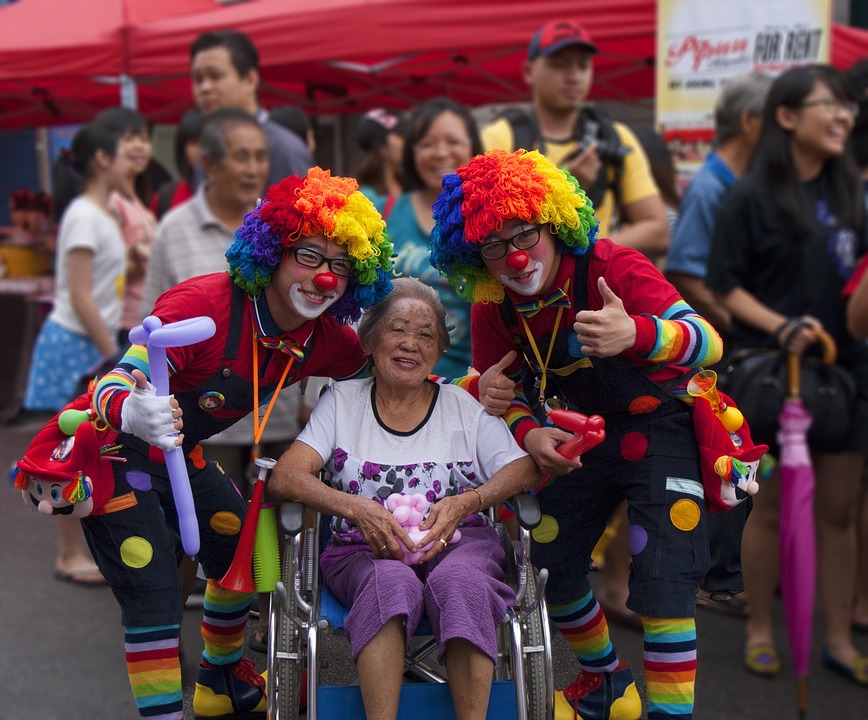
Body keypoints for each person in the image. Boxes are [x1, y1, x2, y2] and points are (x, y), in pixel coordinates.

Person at [78, 168, 393, 719]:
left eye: (341, 266)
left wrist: (469, 391)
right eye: (309, 256)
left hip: (183, 456)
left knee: (240, 555)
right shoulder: (204, 305)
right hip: (114, 454)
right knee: (153, 593)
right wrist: (133, 407)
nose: (324, 279)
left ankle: (220, 680)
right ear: (272, 252)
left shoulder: (327, 339)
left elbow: (394, 370)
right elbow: (114, 379)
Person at [429, 148, 726, 720]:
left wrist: (637, 332)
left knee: (664, 580)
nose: (514, 257)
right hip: (579, 439)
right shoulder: (494, 305)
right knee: (548, 564)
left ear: (556, 222)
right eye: (494, 245)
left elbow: (709, 342)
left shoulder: (612, 264)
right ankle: (608, 683)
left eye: (526, 234)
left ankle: (670, 714)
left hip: (662, 427)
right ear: (472, 254)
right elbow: (502, 391)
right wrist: (526, 430)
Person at [268, 277, 537, 720]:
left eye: (426, 333)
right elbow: (286, 476)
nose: (410, 343)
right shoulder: (342, 402)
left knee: (462, 583)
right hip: (362, 549)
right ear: (370, 339)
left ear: (437, 350)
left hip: (460, 542)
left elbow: (523, 468)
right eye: (397, 329)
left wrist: (468, 501)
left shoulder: (461, 405)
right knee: (388, 583)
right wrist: (355, 508)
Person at [706, 64, 868, 683]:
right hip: (768, 375)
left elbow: (855, 317)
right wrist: (780, 326)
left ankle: (836, 640)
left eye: (848, 107)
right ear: (787, 116)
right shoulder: (749, 195)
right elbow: (724, 286)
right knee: (768, 506)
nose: (843, 117)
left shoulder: (852, 193)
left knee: (840, 510)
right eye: (830, 104)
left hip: (844, 374)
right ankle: (759, 629)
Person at [664, 72, 773, 612]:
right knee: (730, 460)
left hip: (747, 347)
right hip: (722, 352)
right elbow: (683, 269)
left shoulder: (752, 183)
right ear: (751, 122)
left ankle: (738, 570)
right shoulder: (711, 186)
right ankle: (720, 578)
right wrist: (742, 323)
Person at [23, 122, 132, 587]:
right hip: (79, 343)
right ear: (103, 159)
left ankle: (79, 549)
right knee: (67, 451)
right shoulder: (85, 216)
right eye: (128, 147)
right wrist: (115, 356)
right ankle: (69, 554)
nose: (136, 155)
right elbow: (82, 295)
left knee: (86, 448)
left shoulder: (101, 212)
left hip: (91, 342)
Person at [481, 19, 668, 257]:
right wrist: (564, 190)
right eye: (559, 65)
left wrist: (586, 248)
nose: (574, 76)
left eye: (583, 65)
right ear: (529, 72)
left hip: (597, 285)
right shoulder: (499, 139)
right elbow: (486, 229)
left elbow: (658, 230)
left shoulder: (617, 137)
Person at [380, 97, 482, 379]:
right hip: (386, 386)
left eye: (453, 141)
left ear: (473, 147)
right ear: (411, 152)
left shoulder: (493, 221)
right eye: (427, 144)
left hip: (466, 388)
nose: (440, 153)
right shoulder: (380, 213)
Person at [190, 29, 313, 186]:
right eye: (198, 79)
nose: (204, 88)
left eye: (215, 76)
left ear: (250, 80)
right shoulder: (207, 147)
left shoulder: (284, 149)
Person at [95, 107, 159, 349]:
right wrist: (141, 257)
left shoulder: (137, 199)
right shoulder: (113, 202)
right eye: (129, 139)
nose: (139, 146)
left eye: (143, 139)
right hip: (126, 324)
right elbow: (108, 271)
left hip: (145, 317)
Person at [150, 108, 205, 220]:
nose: (201, 151)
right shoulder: (165, 198)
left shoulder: (243, 198)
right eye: (194, 142)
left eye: (208, 142)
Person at [354, 107, 406, 203]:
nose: (406, 142)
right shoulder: (367, 199)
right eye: (400, 136)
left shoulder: (410, 186)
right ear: (383, 147)